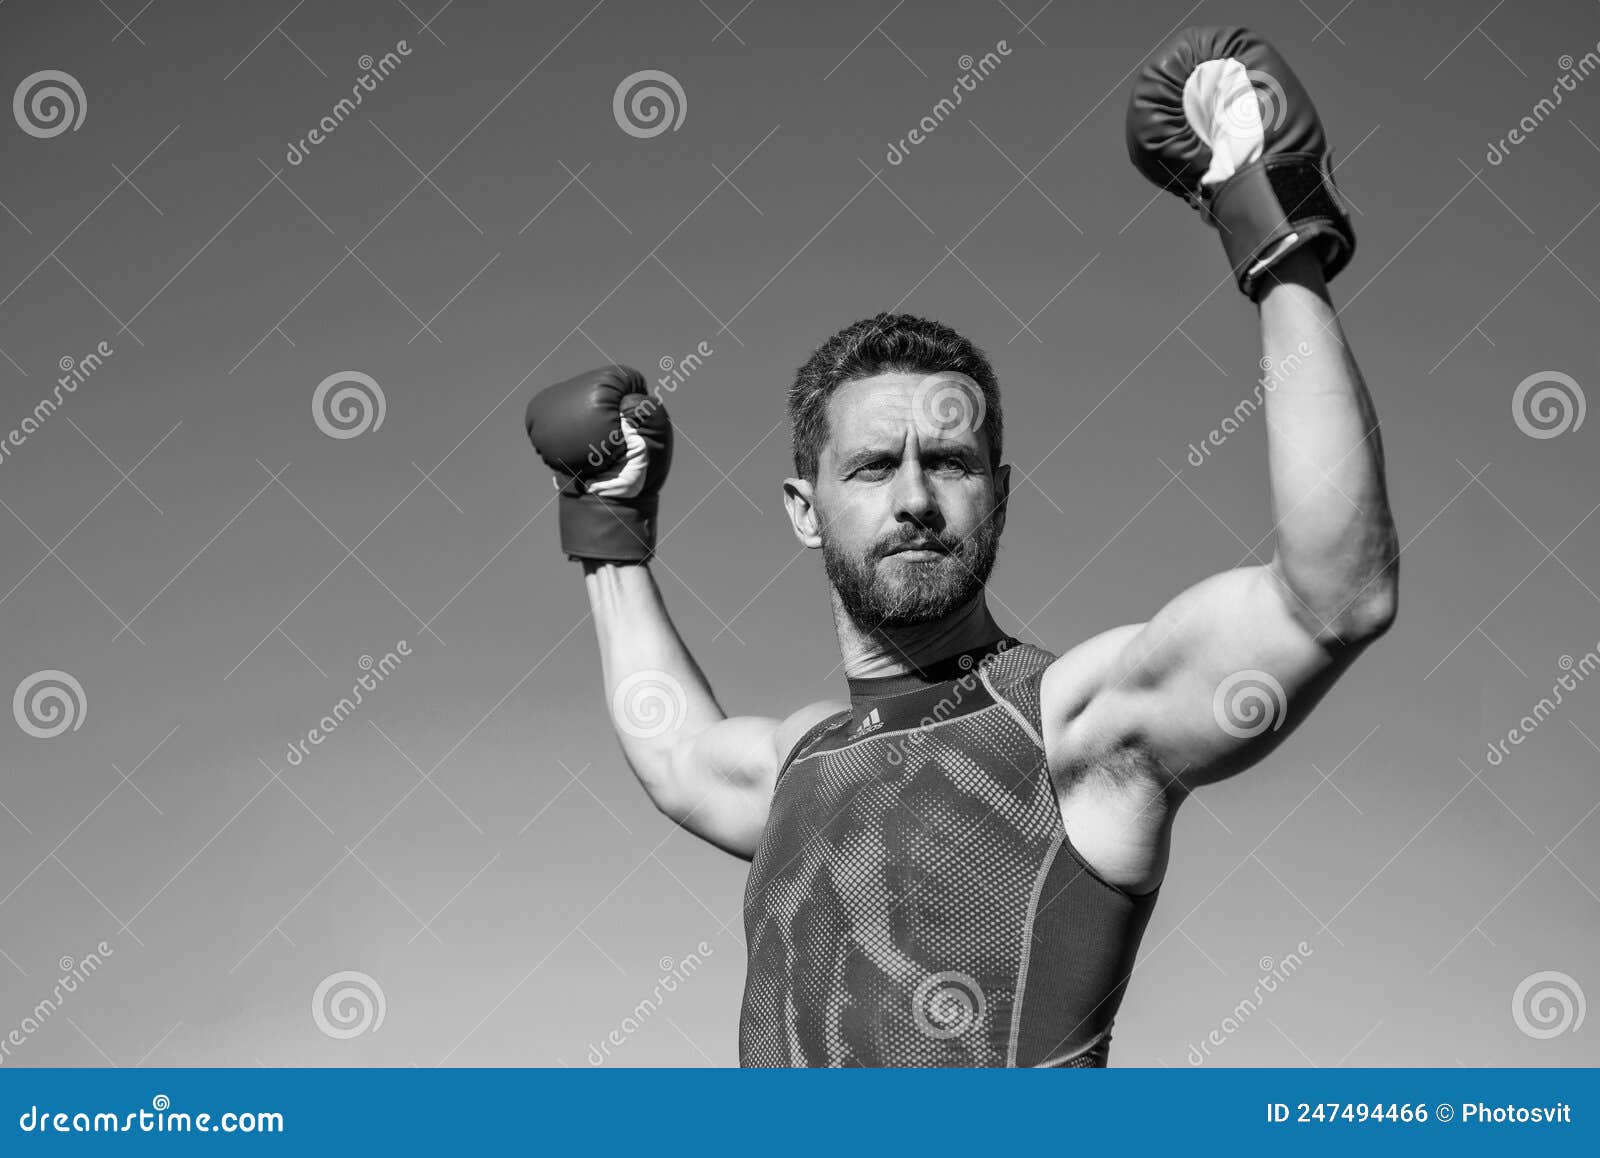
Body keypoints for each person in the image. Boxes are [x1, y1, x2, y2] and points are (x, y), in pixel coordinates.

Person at [523, 26, 1397, 1066]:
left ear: (1000, 495)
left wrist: (1278, 242)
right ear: (804, 509)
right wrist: (607, 521)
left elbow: (1331, 598)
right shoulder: (798, 765)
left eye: (948, 461)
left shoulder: (1075, 729)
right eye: (870, 468)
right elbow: (672, 754)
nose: (915, 499)